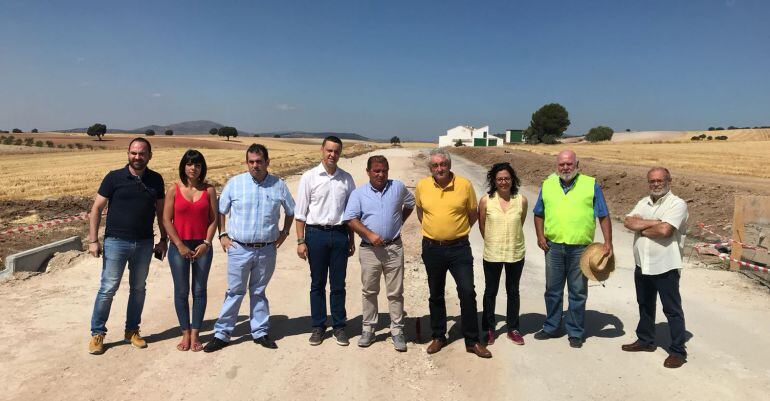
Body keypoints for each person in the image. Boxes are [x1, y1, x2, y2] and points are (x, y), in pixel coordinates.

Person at [203, 144, 295, 352]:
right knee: (235, 291)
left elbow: (291, 211)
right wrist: (223, 234)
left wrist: (284, 233)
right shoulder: (235, 184)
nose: (255, 165)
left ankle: (260, 331)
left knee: (259, 291)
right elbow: (221, 210)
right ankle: (222, 333)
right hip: (239, 248)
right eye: (251, 162)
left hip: (266, 249)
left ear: (267, 162)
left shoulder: (278, 185)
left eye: (259, 161)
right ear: (247, 163)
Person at [87, 137, 167, 355]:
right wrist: (93, 240)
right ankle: (97, 333)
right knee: (107, 289)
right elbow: (96, 209)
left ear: (150, 156)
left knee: (138, 289)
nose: (137, 157)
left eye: (142, 153)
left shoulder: (156, 180)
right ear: (128, 154)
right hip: (115, 242)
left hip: (144, 243)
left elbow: (162, 213)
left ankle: (132, 331)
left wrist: (163, 240)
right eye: (133, 153)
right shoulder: (114, 178)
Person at [415, 148, 492, 358]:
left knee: (467, 292)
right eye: (435, 165)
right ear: (430, 168)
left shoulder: (464, 185)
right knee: (436, 293)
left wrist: (456, 232)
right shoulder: (422, 186)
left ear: (449, 165)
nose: (440, 168)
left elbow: (472, 214)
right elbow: (420, 211)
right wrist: (435, 232)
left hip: (459, 248)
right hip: (432, 248)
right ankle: (439, 336)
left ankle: (472, 340)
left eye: (443, 164)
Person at [533, 150, 613, 348]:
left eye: (569, 164)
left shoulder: (590, 184)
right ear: (556, 166)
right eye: (561, 164)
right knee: (553, 290)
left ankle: (575, 331)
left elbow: (603, 214)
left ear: (577, 165)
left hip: (581, 248)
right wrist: (540, 236)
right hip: (553, 247)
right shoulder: (547, 184)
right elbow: (538, 213)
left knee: (577, 291)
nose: (565, 168)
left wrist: (607, 242)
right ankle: (551, 326)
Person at [344, 155, 415, 352]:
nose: (381, 174)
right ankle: (368, 329)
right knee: (369, 291)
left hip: (394, 248)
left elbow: (410, 203)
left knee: (395, 292)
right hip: (369, 250)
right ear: (368, 172)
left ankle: (397, 330)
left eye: (384, 170)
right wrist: (368, 234)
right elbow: (350, 218)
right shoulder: (359, 194)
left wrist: (398, 221)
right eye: (376, 170)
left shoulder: (398, 187)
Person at [622, 167, 689, 368]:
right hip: (642, 263)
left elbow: (666, 230)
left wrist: (642, 227)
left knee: (672, 310)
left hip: (665, 265)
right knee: (644, 304)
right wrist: (653, 223)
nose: (656, 184)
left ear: (669, 180)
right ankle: (645, 340)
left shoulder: (677, 204)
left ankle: (678, 351)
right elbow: (627, 221)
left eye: (660, 180)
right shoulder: (644, 202)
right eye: (652, 181)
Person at [295, 136, 356, 346]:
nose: (332, 155)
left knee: (338, 284)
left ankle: (339, 327)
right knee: (317, 283)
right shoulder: (309, 177)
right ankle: (318, 326)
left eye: (336, 151)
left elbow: (351, 213)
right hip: (316, 235)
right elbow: (300, 213)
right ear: (322, 150)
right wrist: (300, 241)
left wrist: (351, 238)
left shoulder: (347, 179)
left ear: (340, 153)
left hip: (339, 234)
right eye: (329, 150)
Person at [162, 150, 218, 352]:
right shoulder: (173, 190)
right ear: (183, 166)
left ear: (202, 168)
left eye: (197, 165)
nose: (193, 168)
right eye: (189, 164)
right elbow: (166, 220)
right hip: (179, 245)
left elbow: (214, 219)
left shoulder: (209, 190)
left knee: (200, 290)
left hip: (202, 245)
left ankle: (196, 332)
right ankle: (184, 332)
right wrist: (179, 245)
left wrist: (207, 243)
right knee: (182, 291)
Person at [477, 162, 528, 346]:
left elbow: (519, 223)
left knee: (513, 291)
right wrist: (492, 240)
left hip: (515, 252)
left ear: (512, 179)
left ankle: (513, 328)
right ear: (494, 180)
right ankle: (489, 329)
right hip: (493, 253)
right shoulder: (485, 201)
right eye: (500, 179)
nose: (503, 182)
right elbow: (482, 225)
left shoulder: (521, 200)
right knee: (490, 291)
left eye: (507, 178)